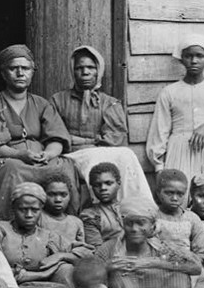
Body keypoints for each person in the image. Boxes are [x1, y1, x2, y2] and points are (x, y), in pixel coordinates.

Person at [0, 44, 83, 221]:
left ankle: (62, 226)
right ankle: (7, 224)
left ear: (32, 72)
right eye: (13, 68)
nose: (20, 73)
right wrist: (21, 155)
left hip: (39, 158)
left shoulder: (41, 104)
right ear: (3, 73)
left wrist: (47, 154)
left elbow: (57, 138)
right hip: (9, 158)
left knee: (62, 167)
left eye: (25, 68)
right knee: (12, 169)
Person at [145, 34, 204, 227]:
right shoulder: (169, 92)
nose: (194, 60)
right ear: (181, 58)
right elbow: (159, 131)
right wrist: (159, 168)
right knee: (180, 198)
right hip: (179, 150)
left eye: (199, 56)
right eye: (188, 56)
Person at [49, 44, 152, 202]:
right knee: (94, 159)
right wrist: (89, 141)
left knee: (127, 154)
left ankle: (137, 206)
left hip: (100, 150)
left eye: (91, 67)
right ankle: (100, 208)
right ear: (72, 70)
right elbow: (56, 134)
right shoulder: (58, 100)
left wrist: (85, 141)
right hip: (71, 154)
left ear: (99, 70)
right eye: (79, 68)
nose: (85, 72)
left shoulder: (109, 103)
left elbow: (115, 137)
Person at [152, 168, 204, 263]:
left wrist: (189, 259)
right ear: (158, 193)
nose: (175, 198)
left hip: (187, 266)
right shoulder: (153, 217)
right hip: (159, 266)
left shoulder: (192, 219)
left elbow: (202, 252)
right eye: (169, 193)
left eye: (180, 194)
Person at [38, 170, 92, 256]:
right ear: (43, 194)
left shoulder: (76, 222)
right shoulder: (38, 218)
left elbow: (81, 250)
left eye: (63, 195)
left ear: (70, 195)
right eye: (52, 194)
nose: (58, 200)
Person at [80, 161, 123, 249]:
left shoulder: (133, 207)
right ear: (92, 188)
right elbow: (97, 249)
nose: (103, 188)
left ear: (118, 183)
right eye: (97, 185)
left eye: (108, 183)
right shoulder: (90, 215)